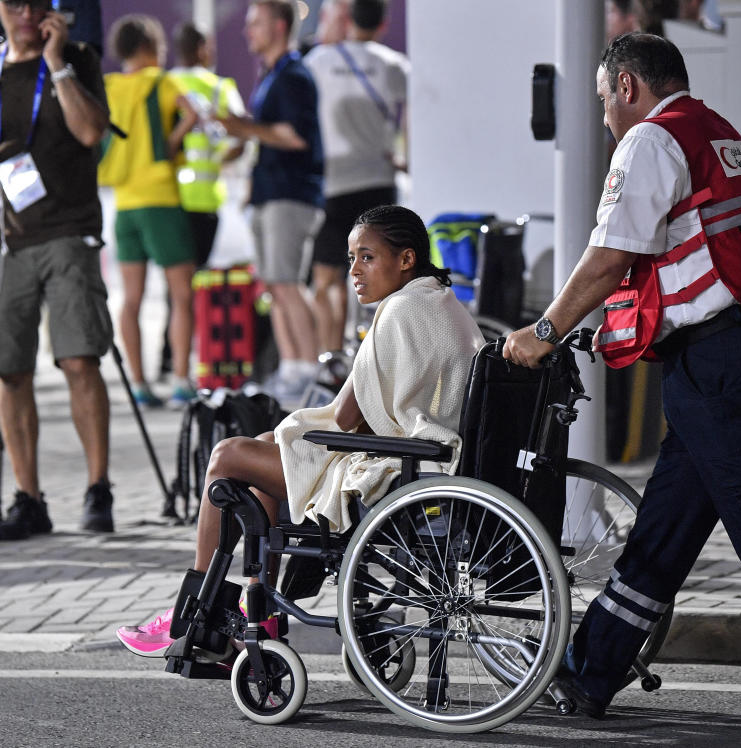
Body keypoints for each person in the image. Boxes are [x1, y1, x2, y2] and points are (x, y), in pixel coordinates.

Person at [502, 34, 741, 740]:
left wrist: (546, 330)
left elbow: (611, 253)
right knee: (665, 530)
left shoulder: (651, 139)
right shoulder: (716, 132)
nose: (604, 121)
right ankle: (590, 671)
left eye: (601, 103)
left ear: (626, 87)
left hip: (720, 361)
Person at [115, 204, 485, 656]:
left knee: (228, 456)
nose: (354, 271)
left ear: (405, 259)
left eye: (366, 257)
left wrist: (293, 431)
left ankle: (198, 610)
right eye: (351, 258)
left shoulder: (400, 311)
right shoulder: (440, 301)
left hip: (401, 473)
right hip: (431, 463)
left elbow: (347, 418)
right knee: (268, 448)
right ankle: (257, 615)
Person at [0, 0, 114, 539]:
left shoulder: (77, 57)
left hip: (69, 232)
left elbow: (92, 132)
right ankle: (29, 498)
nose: (24, 11)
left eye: (34, 2)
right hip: (12, 241)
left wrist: (56, 62)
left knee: (78, 360)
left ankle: (98, 488)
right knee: (10, 370)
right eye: (13, 2)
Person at [218, 0, 325, 407]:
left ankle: (311, 370)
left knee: (287, 284)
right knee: (276, 286)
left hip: (290, 194)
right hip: (270, 194)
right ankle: (292, 369)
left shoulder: (294, 75)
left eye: (256, 24)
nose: (248, 32)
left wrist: (243, 127)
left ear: (279, 26)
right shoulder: (274, 75)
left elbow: (295, 136)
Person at [101, 15, 198, 409]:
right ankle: (179, 382)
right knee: (180, 295)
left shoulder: (108, 86)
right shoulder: (163, 81)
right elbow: (192, 114)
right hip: (160, 197)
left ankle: (138, 386)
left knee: (131, 298)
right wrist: (172, 144)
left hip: (124, 204)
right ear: (149, 47)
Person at [303, 0, 409, 356]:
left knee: (327, 277)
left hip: (334, 184)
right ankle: (380, 356)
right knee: (382, 272)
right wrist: (404, 158)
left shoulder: (319, 62)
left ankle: (331, 358)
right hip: (379, 181)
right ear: (383, 23)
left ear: (348, 20)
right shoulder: (393, 64)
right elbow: (413, 111)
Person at [156, 22, 247, 381]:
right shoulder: (220, 87)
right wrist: (219, 161)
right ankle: (189, 355)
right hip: (206, 199)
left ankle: (166, 356)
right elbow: (241, 137)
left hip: (169, 198)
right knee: (193, 285)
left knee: (172, 284)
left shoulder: (166, 86)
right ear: (205, 49)